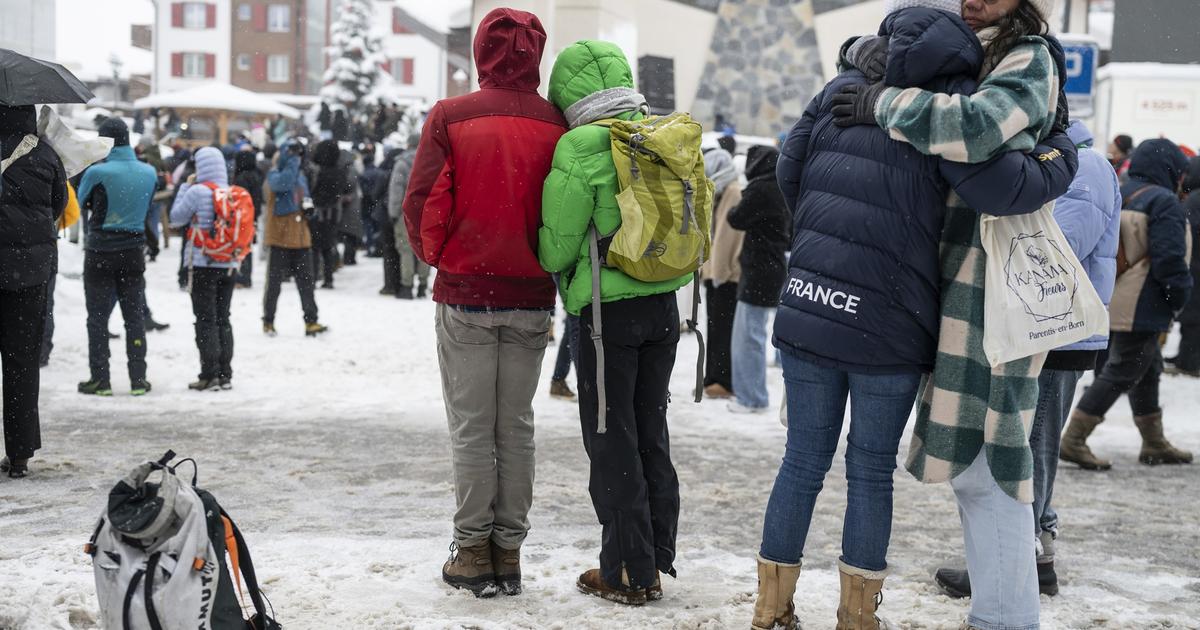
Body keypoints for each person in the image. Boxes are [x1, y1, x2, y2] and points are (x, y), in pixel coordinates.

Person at [820, 0, 1070, 628]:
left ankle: (1006, 620)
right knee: (976, 468)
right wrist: (863, 54)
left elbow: (980, 126)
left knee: (995, 467)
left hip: (992, 284)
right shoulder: (969, 44)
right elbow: (887, 45)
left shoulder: (1027, 55)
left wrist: (885, 104)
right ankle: (999, 615)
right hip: (955, 279)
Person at [403, 7, 565, 598]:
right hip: (531, 294)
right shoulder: (558, 122)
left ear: (481, 53)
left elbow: (421, 202)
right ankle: (509, 551)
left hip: (467, 293)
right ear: (536, 55)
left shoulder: (451, 115)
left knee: (473, 427)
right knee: (515, 426)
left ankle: (472, 551)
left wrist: (444, 256)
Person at [934, 119, 1121, 600]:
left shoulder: (1086, 166)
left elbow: (1055, 249)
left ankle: (1022, 563)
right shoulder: (1055, 163)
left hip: (1057, 332)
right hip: (1036, 327)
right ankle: (1029, 555)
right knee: (1027, 444)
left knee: (1031, 447)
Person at [539, 39, 695, 606]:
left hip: (606, 315)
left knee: (610, 436)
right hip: (663, 305)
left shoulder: (581, 145)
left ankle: (627, 570)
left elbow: (557, 246)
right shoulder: (659, 134)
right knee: (650, 428)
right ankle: (655, 553)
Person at [1061, 139, 1193, 469]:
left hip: (1114, 294)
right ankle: (1074, 437)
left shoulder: (1122, 190)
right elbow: (1169, 259)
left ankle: (1153, 441)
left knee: (1147, 368)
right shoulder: (1163, 202)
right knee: (1123, 369)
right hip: (1143, 302)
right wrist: (1178, 296)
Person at [0, 104, 67, 478]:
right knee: (22, 363)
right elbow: (59, 204)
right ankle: (21, 454)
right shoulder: (44, 153)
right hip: (29, 274)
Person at [76, 118, 158, 397]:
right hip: (133, 252)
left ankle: (101, 379)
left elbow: (79, 201)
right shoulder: (149, 172)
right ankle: (139, 379)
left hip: (100, 251)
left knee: (97, 319)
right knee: (133, 317)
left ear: (105, 142)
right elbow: (147, 206)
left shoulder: (97, 172)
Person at [170, 147, 241, 391]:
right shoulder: (232, 193)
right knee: (223, 318)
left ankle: (208, 374)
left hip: (202, 264)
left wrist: (184, 188)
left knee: (205, 319)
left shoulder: (197, 191)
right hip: (229, 263)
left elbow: (176, 218)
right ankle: (225, 374)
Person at [726, 146, 788, 414]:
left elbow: (736, 219)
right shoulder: (784, 186)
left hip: (757, 269)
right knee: (757, 332)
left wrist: (734, 205)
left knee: (748, 335)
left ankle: (751, 397)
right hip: (776, 266)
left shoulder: (760, 188)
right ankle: (753, 395)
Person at [263, 139, 327, 337]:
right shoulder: (274, 174)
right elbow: (283, 185)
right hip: (279, 237)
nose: (295, 157)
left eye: (298, 154)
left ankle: (311, 321)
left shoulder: (300, 176)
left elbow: (304, 197)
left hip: (301, 236)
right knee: (274, 283)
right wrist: (291, 161)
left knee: (306, 283)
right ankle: (268, 320)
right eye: (291, 153)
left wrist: (310, 210)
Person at [699, 148, 743, 399]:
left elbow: (728, 237)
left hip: (727, 274)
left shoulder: (733, 192)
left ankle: (723, 380)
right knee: (715, 327)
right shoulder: (720, 190)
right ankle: (713, 377)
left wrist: (720, 271)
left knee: (724, 329)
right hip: (715, 272)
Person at [1166, 156, 1200, 376]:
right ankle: (1186, 356)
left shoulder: (1195, 199)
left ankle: (1189, 361)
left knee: (1192, 316)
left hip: (1195, 263)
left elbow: (1186, 231)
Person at [388, 133, 427, 299]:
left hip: (406, 213)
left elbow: (396, 190)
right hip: (426, 213)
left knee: (406, 249)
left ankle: (407, 285)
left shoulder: (402, 163)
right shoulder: (429, 161)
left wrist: (393, 212)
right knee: (425, 250)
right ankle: (423, 285)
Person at [309, 139, 348, 289]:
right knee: (328, 246)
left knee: (314, 246)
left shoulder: (317, 171)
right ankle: (328, 277)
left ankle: (312, 277)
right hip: (333, 213)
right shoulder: (339, 171)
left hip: (317, 212)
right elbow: (343, 190)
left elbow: (313, 189)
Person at [233, 151, 264, 288]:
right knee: (248, 246)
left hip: (242, 217)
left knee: (241, 246)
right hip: (252, 216)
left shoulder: (241, 178)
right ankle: (246, 277)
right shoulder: (257, 175)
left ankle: (241, 277)